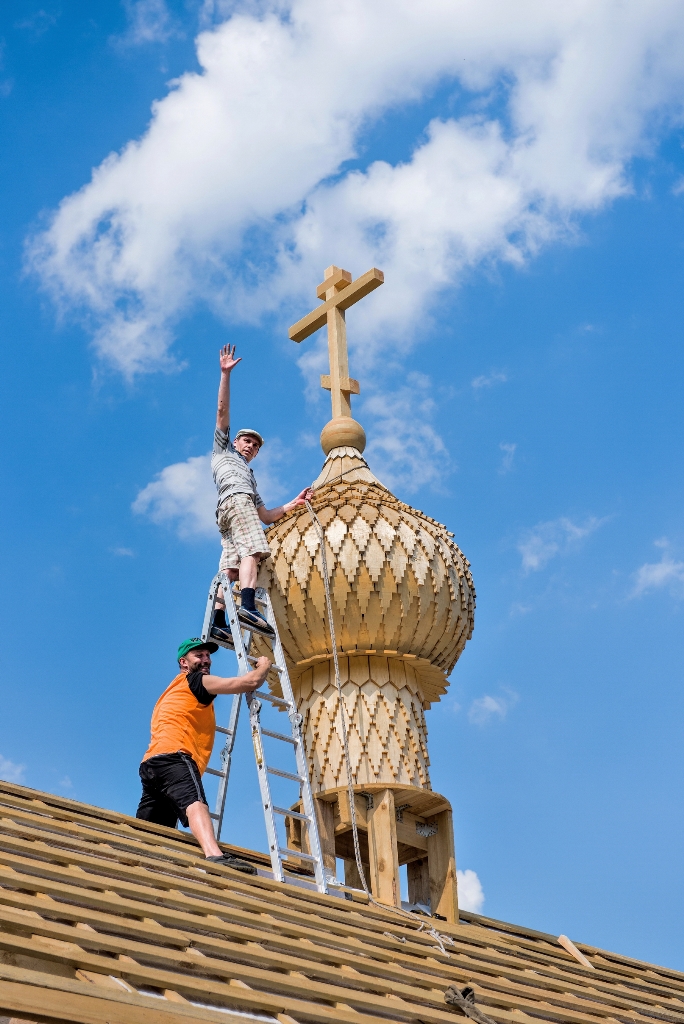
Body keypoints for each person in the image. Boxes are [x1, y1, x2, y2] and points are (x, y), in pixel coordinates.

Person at [136, 637, 271, 872]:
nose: (206, 659)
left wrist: (219, 604)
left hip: (151, 764)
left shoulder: (173, 689)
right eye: (199, 655)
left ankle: (139, 865)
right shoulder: (196, 680)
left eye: (208, 655)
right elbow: (251, 682)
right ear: (184, 662)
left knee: (153, 831)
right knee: (194, 802)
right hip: (175, 756)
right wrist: (264, 666)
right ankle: (213, 855)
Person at [210, 344, 312, 643]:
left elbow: (266, 516)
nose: (250, 446)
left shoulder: (249, 478)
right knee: (253, 551)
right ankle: (249, 608)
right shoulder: (223, 452)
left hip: (230, 511)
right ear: (236, 441)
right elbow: (221, 412)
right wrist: (225, 375)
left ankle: (218, 623)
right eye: (246, 441)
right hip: (235, 502)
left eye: (255, 445)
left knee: (229, 570)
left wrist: (295, 503)